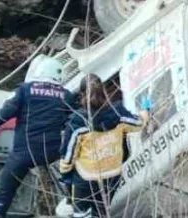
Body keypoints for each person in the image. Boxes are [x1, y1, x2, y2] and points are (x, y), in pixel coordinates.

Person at [0, 56, 75, 218]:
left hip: (23, 153)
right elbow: (75, 120)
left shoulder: (24, 90)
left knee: (4, 194)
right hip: (52, 153)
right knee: (69, 186)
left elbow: (4, 114)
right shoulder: (67, 96)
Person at [59, 75, 144, 218]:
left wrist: (66, 174)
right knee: (101, 211)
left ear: (81, 94)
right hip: (111, 175)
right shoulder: (118, 113)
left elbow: (67, 157)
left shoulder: (77, 122)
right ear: (104, 91)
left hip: (86, 178)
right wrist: (144, 113)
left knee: (81, 213)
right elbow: (138, 124)